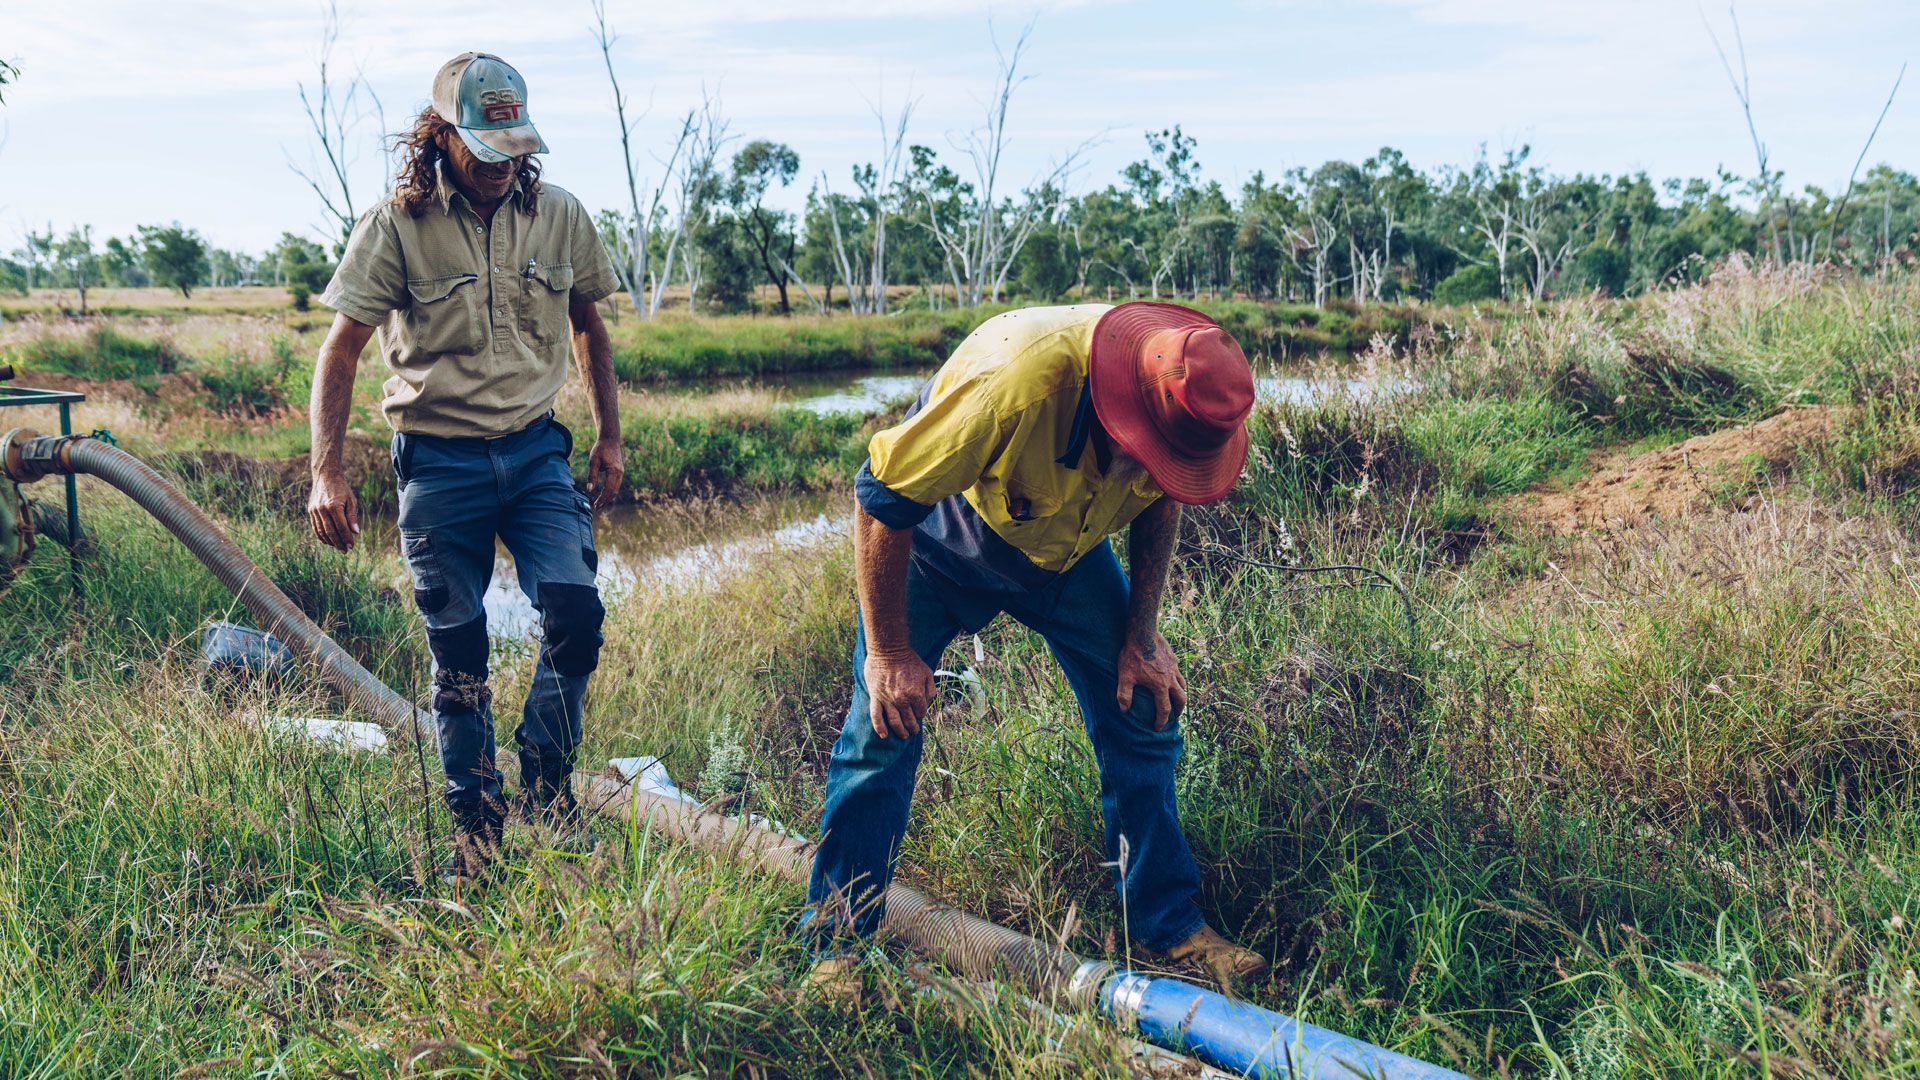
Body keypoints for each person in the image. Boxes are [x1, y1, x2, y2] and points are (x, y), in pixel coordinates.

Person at [805, 301, 1269, 995]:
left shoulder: (1196, 403)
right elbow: (880, 496)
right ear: (1124, 407)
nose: (1157, 467)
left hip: (1066, 552)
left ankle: (1167, 924)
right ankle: (837, 946)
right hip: (944, 535)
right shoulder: (1015, 382)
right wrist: (890, 653)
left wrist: (1141, 638)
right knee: (882, 726)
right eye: (1152, 449)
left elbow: (1161, 497)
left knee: (1144, 705)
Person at [305, 53, 624, 879]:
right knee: (460, 654)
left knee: (576, 611)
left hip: (535, 453)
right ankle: (476, 827)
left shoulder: (559, 215)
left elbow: (589, 326)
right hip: (439, 467)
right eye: (484, 149)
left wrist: (609, 437)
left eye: (513, 148)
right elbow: (339, 351)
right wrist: (326, 472)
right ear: (441, 135)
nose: (499, 167)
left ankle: (548, 789)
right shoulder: (394, 225)